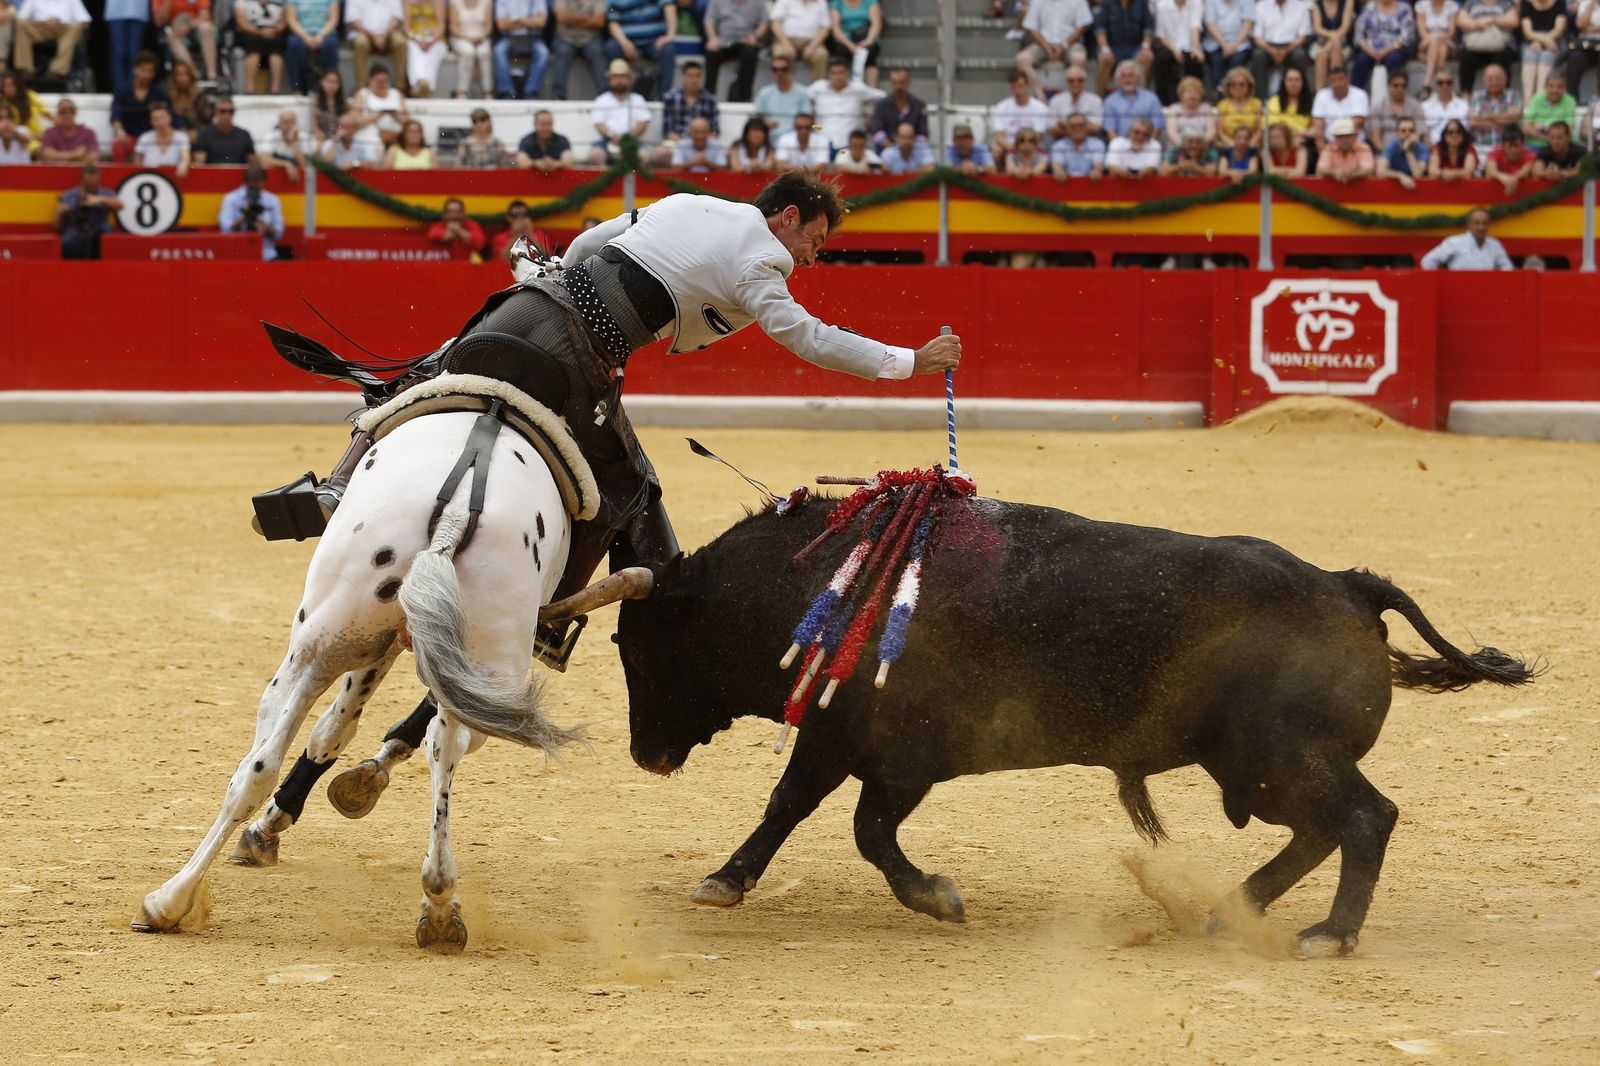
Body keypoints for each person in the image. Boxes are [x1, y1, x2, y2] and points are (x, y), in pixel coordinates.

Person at [276, 171, 963, 659]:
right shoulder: (761, 262)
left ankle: (334, 486)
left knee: (420, 380)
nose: (814, 255)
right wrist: (909, 361)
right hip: (581, 355)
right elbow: (808, 337)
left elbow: (586, 246)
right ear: (787, 217)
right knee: (632, 487)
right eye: (815, 238)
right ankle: (548, 620)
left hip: (528, 304)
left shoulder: (688, 203)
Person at [1015, 0, 1094, 95]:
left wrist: (1065, 45)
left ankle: (1070, 96)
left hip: (1071, 44)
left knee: (1079, 58)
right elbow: (1031, 26)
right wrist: (1046, 46)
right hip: (1043, 44)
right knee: (1021, 59)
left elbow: (1082, 27)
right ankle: (1039, 95)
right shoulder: (1037, 1)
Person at [808, 56, 884, 147]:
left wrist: (870, 113)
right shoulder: (818, 88)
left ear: (848, 73)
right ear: (828, 74)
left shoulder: (857, 89)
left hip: (849, 146)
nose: (838, 77)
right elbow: (801, 95)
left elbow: (882, 96)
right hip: (822, 144)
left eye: (841, 72)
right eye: (834, 73)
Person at [589, 56, 651, 163]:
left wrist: (627, 138)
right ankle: (605, 174)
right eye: (615, 77)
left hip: (632, 140)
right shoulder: (602, 100)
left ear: (629, 79)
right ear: (610, 80)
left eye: (623, 77)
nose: (619, 80)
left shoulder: (638, 99)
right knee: (596, 154)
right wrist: (612, 137)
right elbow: (599, 124)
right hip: (607, 140)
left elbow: (643, 123)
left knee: (644, 156)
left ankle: (633, 174)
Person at [12, 0, 90, 83]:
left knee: (76, 27)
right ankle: (25, 69)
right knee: (20, 24)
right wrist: (43, 22)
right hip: (39, 29)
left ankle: (57, 71)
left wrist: (61, 22)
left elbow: (85, 20)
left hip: (64, 30)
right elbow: (20, 17)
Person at [657, 59, 719, 164]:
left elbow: (715, 130)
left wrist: (701, 142)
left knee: (722, 151)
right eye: (690, 76)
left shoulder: (710, 99)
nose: (694, 80)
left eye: (697, 76)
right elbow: (667, 131)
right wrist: (685, 144)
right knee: (661, 152)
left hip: (703, 143)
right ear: (683, 76)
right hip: (676, 142)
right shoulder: (670, 97)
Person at [54, 162, 122, 259]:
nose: (91, 188)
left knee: (107, 229)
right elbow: (55, 227)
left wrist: (100, 199)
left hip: (96, 233)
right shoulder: (69, 195)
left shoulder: (105, 193)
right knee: (66, 242)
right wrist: (59, 213)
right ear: (82, 181)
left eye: (94, 185)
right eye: (88, 185)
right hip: (76, 233)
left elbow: (120, 205)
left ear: (99, 181)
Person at [702, 0, 766, 102]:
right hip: (724, 42)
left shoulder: (758, 2)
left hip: (746, 41)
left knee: (751, 51)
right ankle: (708, 97)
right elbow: (709, 20)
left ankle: (745, 97)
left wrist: (755, 36)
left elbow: (764, 22)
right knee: (711, 51)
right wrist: (712, 38)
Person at [219, 162, 286, 259]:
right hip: (238, 254)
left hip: (266, 254)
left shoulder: (272, 200)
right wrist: (243, 220)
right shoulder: (232, 199)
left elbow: (279, 233)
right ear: (246, 182)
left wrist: (266, 228)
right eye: (251, 184)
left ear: (264, 182)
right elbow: (225, 229)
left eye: (257, 183)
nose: (254, 186)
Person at [1350, 0, 1417, 96]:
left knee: (1393, 60)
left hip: (1395, 48)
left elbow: (1407, 35)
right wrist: (1370, 51)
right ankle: (1355, 96)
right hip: (1370, 49)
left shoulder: (1404, 8)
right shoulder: (1369, 7)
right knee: (1361, 61)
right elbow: (1358, 34)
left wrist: (1385, 51)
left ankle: (1395, 97)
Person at [1249, 0, 1312, 100]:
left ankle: (1298, 99)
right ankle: (1261, 99)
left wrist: (1286, 50)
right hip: (1267, 46)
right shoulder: (1261, 6)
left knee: (1299, 56)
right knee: (1258, 55)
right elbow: (1257, 36)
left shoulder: (1300, 6)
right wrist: (1271, 50)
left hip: (1292, 46)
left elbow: (1303, 36)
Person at [111, 51, 172, 155]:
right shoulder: (122, 91)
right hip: (129, 137)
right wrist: (121, 134)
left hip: (154, 138)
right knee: (119, 146)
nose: (146, 75)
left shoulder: (159, 92)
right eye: (143, 70)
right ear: (134, 69)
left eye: (150, 71)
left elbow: (170, 114)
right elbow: (115, 117)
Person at [604, 0, 669, 97]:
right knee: (611, 47)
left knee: (668, 49)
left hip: (654, 42)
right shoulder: (614, 2)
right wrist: (624, 43)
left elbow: (669, 7)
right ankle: (616, 93)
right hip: (626, 41)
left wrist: (669, 35)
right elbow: (612, 21)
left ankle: (664, 96)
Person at [1453, 0, 1518, 94]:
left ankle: (1503, 95)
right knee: (1466, 57)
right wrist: (1477, 24)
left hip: (1500, 46)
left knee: (1504, 57)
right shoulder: (1471, 3)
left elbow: (1513, 21)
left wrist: (1493, 19)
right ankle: (1466, 94)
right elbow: (1461, 21)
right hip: (1475, 45)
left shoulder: (1506, 3)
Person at [991, 67, 1053, 163]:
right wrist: (1012, 147)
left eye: (1020, 86)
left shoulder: (1040, 108)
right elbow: (999, 136)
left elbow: (1038, 136)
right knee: (996, 151)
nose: (1017, 91)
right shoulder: (1001, 107)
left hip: (1031, 146)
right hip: (1008, 146)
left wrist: (1023, 147)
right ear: (1010, 88)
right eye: (1014, 87)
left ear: (1027, 86)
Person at [550, 0, 608, 99]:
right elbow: (561, 17)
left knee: (597, 53)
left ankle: (604, 97)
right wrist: (588, 18)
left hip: (590, 39)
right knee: (562, 51)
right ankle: (558, 96)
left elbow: (599, 21)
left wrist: (571, 20)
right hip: (566, 38)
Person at [1095, 0, 1157, 93]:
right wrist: (1105, 49)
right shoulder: (1107, 3)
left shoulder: (1142, 3)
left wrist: (1145, 47)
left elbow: (1148, 28)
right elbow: (1100, 29)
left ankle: (1141, 96)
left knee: (1147, 57)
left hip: (1135, 46)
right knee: (1104, 58)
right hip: (1113, 46)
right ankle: (1100, 97)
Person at [1152, 0, 1206, 104]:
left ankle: (1196, 100)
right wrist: (1174, 50)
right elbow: (1161, 34)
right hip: (1169, 45)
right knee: (1162, 59)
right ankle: (1164, 102)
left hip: (1189, 45)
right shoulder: (1162, 6)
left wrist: (1195, 48)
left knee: (1195, 59)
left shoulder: (1196, 2)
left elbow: (1195, 26)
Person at [156, 0, 222, 85]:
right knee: (171, 36)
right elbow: (159, 22)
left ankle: (212, 74)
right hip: (176, 29)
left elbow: (204, 16)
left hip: (196, 26)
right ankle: (193, 74)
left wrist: (188, 26)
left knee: (205, 28)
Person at [1421, 206, 1512, 267]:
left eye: (1484, 223)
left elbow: (1508, 268)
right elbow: (1427, 262)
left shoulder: (1494, 245)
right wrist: (1441, 281)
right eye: (1476, 223)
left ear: (1489, 225)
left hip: (1486, 287)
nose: (1481, 227)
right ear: (1469, 225)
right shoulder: (1454, 242)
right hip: (1458, 288)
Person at [494, 0, 549, 99]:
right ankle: (507, 92)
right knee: (499, 51)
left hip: (532, 37)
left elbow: (541, 22)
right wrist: (529, 21)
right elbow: (502, 25)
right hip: (510, 37)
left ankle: (531, 92)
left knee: (543, 53)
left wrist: (516, 21)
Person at [770, 0, 833, 83]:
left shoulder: (821, 3)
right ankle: (783, 87)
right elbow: (775, 24)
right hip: (785, 41)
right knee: (780, 54)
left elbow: (825, 28)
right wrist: (787, 45)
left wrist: (812, 46)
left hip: (812, 42)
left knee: (821, 55)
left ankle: (819, 87)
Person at [349, 0, 409, 88]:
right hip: (364, 33)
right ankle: (362, 87)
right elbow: (353, 21)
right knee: (360, 42)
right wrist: (373, 36)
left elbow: (396, 19)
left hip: (389, 33)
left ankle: (400, 87)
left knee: (400, 42)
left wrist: (385, 35)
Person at [1100, 59, 1164, 138]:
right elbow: (1110, 130)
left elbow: (1157, 126)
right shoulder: (1110, 101)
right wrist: (1119, 145)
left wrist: (1150, 144)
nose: (1127, 80)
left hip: (1147, 142)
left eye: (1131, 76)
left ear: (1138, 78)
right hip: (1120, 142)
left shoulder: (1151, 98)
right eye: (1123, 76)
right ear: (1118, 79)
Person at [866, 67, 926, 151]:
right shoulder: (881, 105)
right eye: (895, 83)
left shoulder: (919, 106)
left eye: (902, 82)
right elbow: (876, 131)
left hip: (913, 150)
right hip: (886, 150)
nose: (899, 86)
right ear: (890, 83)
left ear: (908, 82)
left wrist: (907, 148)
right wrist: (894, 149)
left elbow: (923, 134)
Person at [236, 0, 290, 94]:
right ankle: (249, 89)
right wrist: (257, 31)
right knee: (252, 45)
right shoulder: (242, 1)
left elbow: (285, 19)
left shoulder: (282, 1)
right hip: (251, 31)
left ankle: (275, 89)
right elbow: (241, 21)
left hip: (275, 32)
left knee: (277, 46)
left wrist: (275, 30)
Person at [287, 0, 341, 92]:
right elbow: (291, 20)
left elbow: (333, 19)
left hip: (325, 33)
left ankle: (328, 88)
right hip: (301, 33)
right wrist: (306, 37)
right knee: (294, 45)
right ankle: (297, 87)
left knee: (330, 44)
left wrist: (321, 36)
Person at [353, 63, 409, 151]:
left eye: (385, 81)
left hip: (396, 136)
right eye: (378, 81)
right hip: (371, 137)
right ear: (370, 80)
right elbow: (355, 122)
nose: (382, 84)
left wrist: (396, 116)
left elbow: (407, 120)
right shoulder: (362, 94)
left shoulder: (397, 93)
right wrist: (376, 115)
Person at [827, 0, 883, 87]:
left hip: (865, 36)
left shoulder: (870, 1)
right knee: (840, 52)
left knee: (870, 52)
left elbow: (876, 24)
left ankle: (872, 90)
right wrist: (850, 45)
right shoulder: (837, 3)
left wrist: (869, 40)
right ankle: (842, 88)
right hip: (844, 38)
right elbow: (836, 29)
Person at [1518, 0, 1565, 101]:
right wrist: (1543, 41)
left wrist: (1542, 42)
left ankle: (1541, 99)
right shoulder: (1526, 3)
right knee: (1529, 54)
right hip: (1532, 42)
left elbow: (1559, 29)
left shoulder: (1559, 2)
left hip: (1554, 42)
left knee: (1546, 55)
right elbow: (1527, 32)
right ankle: (1527, 101)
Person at [1310, 65, 1368, 148]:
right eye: (1333, 81)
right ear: (1328, 83)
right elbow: (1318, 125)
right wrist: (1323, 151)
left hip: (1356, 144)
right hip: (1329, 145)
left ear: (1348, 79)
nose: (1338, 84)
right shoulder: (1321, 95)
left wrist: (1341, 142)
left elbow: (1358, 122)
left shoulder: (1360, 94)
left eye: (1341, 79)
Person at [1467, 62, 1520, 154]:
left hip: (1506, 148)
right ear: (1484, 80)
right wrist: (1504, 119)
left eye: (1498, 79)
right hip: (1480, 146)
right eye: (1490, 79)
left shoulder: (1513, 95)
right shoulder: (1477, 96)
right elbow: (1473, 121)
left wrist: (1485, 116)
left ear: (1505, 79)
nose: (1494, 82)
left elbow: (1514, 118)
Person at [1203, 0, 1256, 88]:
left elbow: (1248, 23)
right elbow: (1210, 24)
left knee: (1238, 61)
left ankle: (1232, 91)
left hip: (1240, 43)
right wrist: (1225, 45)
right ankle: (1218, 92)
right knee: (1216, 62)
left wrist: (1235, 45)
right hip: (1216, 42)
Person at [133, 100, 192, 176]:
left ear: (170, 117)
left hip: (174, 178)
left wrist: (184, 164)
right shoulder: (144, 138)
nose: (161, 122)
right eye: (156, 119)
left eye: (163, 117)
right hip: (149, 178)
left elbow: (185, 158)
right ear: (151, 121)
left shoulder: (182, 137)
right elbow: (136, 165)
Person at [754, 52, 812, 131]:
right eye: (775, 69)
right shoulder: (764, 93)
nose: (779, 73)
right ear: (771, 72)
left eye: (784, 69)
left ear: (791, 71)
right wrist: (765, 125)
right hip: (769, 136)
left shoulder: (802, 93)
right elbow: (758, 119)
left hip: (793, 136)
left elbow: (806, 119)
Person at [1369, 69, 1424, 150]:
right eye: (1395, 86)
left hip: (1411, 149)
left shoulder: (1415, 105)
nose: (1399, 89)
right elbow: (1376, 138)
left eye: (1403, 86)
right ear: (1388, 87)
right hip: (1385, 150)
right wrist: (1388, 153)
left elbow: (1421, 131)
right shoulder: (1378, 107)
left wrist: (1407, 147)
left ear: (1407, 88)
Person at [106, 0, 151, 97]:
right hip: (116, 11)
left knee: (133, 54)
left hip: (137, 10)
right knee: (119, 53)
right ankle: (120, 91)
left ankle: (132, 90)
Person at [193, 97, 258, 164]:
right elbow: (199, 164)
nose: (227, 115)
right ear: (215, 112)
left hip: (238, 170)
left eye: (231, 111)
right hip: (213, 170)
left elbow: (253, 163)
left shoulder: (244, 135)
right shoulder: (204, 135)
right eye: (222, 111)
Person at [447, 0, 491, 96]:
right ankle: (462, 91)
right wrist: (468, 38)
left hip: (481, 38)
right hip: (460, 37)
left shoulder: (487, 2)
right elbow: (453, 28)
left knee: (484, 52)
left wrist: (481, 37)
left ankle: (488, 91)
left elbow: (488, 27)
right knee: (468, 51)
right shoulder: (454, 2)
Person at [1520, 72, 1575, 150]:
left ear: (1564, 88)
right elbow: (1526, 128)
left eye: (1559, 87)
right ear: (1545, 87)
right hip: (1535, 145)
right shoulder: (1536, 99)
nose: (1555, 90)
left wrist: (1541, 127)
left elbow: (1568, 129)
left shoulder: (1570, 101)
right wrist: (1549, 138)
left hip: (1559, 147)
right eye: (1551, 86)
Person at [1047, 64, 1104, 137]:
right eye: (1071, 81)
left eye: (1080, 80)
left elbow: (1096, 127)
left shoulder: (1095, 100)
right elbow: (1051, 129)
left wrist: (1065, 125)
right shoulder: (1056, 100)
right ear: (1066, 82)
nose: (1075, 84)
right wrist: (1083, 126)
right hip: (1062, 139)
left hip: (1089, 139)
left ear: (1085, 81)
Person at [1414, 0, 1460, 89]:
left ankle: (1427, 82)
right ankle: (1439, 85)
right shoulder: (1421, 5)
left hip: (1447, 41)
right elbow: (1422, 32)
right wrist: (1432, 40)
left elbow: (1451, 32)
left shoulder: (1452, 6)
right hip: (1427, 42)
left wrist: (1438, 39)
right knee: (1442, 49)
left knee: (1439, 43)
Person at [37, 97, 97, 162]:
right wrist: (75, 155)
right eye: (63, 112)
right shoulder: (49, 133)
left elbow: (93, 157)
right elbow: (47, 156)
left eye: (72, 111)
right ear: (58, 114)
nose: (68, 115)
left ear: (76, 112)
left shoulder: (89, 133)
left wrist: (57, 156)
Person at [1315, 114, 1374, 180]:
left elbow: (1368, 170)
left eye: (1347, 135)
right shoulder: (1328, 148)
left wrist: (1352, 175)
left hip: (1360, 186)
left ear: (1354, 136)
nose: (1344, 139)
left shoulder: (1363, 148)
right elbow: (1321, 168)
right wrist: (1333, 172)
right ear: (1335, 137)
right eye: (1340, 136)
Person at [1310, 0, 1351, 92]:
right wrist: (1331, 37)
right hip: (1322, 42)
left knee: (1335, 52)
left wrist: (1333, 40)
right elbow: (1317, 28)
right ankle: (1319, 94)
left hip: (1342, 41)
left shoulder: (1346, 2)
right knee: (1321, 56)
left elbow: (1346, 26)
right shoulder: (1317, 4)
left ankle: (1336, 92)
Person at [1267, 65, 1314, 145]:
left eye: (1297, 80)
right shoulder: (1273, 102)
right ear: (1284, 82)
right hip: (1277, 142)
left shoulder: (1311, 103)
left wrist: (1300, 135)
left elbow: (1315, 130)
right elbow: (1270, 128)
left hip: (1302, 142)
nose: (1293, 83)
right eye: (1289, 80)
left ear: (1303, 82)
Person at [1376, 115, 1429, 186]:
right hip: (1394, 184)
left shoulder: (1421, 147)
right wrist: (1400, 176)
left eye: (1411, 130)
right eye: (1403, 131)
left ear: (1415, 132)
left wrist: (1408, 151)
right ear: (1397, 133)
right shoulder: (1392, 145)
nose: (1407, 133)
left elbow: (1417, 174)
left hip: (1414, 186)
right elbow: (1380, 171)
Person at [1214, 69, 1262, 146]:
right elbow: (1220, 132)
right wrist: (1233, 145)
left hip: (1252, 146)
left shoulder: (1256, 104)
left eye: (1241, 84)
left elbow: (1260, 130)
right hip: (1228, 146)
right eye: (1233, 84)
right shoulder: (1222, 105)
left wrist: (1250, 145)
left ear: (1248, 86)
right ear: (1228, 87)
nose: (1237, 87)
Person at [1421, 68, 1469, 142]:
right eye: (1440, 83)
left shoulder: (1464, 106)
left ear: (1454, 84)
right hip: (1431, 146)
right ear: (1434, 84)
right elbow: (1422, 133)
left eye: (1448, 82)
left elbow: (1465, 131)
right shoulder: (1424, 107)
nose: (1444, 86)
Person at [1050, 111, 1104, 177]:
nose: (1078, 129)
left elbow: (1098, 165)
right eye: (1073, 126)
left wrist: (1097, 171)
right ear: (1067, 128)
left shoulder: (1097, 144)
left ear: (1087, 127)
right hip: (1065, 182)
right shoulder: (1058, 145)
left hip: (1090, 182)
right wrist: (1059, 171)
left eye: (1081, 126)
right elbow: (1057, 165)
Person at [1484, 122, 1535, 192]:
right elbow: (1490, 172)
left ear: (1523, 144)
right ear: (1503, 145)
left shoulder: (1530, 154)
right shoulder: (1495, 153)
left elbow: (1524, 172)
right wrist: (1502, 177)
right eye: (1509, 146)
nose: (1513, 150)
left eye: (1516, 145)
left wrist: (1511, 180)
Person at [1167, 74, 1217, 143]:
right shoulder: (1174, 109)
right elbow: (1172, 132)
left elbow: (1211, 131)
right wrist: (1184, 145)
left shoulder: (1206, 108)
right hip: (1179, 145)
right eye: (1189, 92)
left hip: (1203, 145)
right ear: (1181, 94)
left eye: (1196, 92)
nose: (1193, 95)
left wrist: (1200, 144)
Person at [264, 108, 310, 180]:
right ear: (280, 124)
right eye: (285, 122)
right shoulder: (271, 137)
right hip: (276, 179)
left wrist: (293, 142)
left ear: (296, 123)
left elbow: (304, 166)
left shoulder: (305, 137)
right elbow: (263, 159)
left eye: (291, 122)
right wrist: (286, 164)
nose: (288, 126)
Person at [167, 60, 212, 129]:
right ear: (174, 77)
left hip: (197, 131)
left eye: (186, 74)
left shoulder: (199, 96)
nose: (182, 78)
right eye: (179, 74)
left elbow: (207, 120)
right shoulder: (169, 96)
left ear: (191, 76)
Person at [1569, 0, 1600, 100]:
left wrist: (1590, 28)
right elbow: (1580, 25)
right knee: (1575, 57)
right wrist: (1590, 7)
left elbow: (1585, 28)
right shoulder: (1586, 3)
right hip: (1587, 45)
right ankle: (1572, 100)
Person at [311, 68, 347, 140]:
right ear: (322, 82)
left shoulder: (343, 102)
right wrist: (319, 133)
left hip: (339, 138)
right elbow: (314, 125)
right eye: (329, 81)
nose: (332, 85)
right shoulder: (315, 100)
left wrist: (339, 135)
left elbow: (345, 124)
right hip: (322, 138)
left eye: (335, 82)